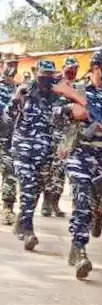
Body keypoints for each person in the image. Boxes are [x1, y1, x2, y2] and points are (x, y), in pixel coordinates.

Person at [59, 48, 102, 279]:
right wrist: (71, 111)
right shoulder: (77, 90)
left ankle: (98, 213)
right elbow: (55, 113)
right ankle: (79, 249)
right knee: (82, 198)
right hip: (80, 154)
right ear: (96, 68)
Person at [4, 60, 64, 250]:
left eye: (49, 74)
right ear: (36, 73)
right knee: (29, 187)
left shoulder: (55, 96)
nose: (46, 78)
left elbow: (61, 122)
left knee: (36, 189)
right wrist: (15, 99)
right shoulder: (24, 92)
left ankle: (21, 220)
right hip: (23, 150)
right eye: (43, 74)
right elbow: (8, 116)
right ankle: (29, 230)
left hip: (45, 152)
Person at [41, 57, 81, 218]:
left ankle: (55, 203)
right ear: (63, 68)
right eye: (69, 68)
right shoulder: (55, 86)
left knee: (61, 170)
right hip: (53, 132)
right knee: (50, 169)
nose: (72, 71)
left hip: (69, 134)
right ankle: (46, 203)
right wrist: (66, 108)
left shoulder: (78, 88)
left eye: (75, 68)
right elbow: (50, 108)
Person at [0, 58, 19, 225]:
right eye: (9, 64)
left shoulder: (17, 88)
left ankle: (7, 209)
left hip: (8, 138)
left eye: (15, 65)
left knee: (10, 173)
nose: (12, 68)